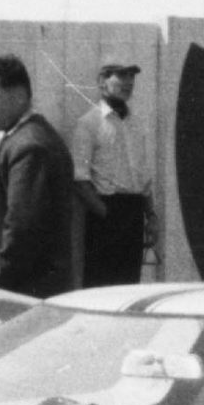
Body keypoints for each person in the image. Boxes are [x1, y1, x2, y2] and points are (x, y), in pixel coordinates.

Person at [0, 54, 76, 297]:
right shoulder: (24, 137)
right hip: (26, 286)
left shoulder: (30, 146)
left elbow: (21, 230)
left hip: (23, 290)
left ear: (20, 95)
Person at [72, 61, 154, 288]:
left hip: (134, 212)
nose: (128, 82)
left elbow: (143, 176)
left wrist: (150, 215)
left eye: (131, 76)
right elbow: (79, 179)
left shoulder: (137, 123)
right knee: (102, 286)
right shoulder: (89, 123)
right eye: (121, 75)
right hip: (106, 211)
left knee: (129, 285)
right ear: (102, 81)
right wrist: (106, 214)